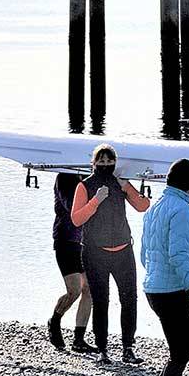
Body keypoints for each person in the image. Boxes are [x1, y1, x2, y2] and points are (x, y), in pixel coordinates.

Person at [140, 158, 189, 376]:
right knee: (186, 344)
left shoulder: (155, 208)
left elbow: (144, 253)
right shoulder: (181, 211)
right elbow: (179, 253)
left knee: (184, 344)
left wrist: (155, 276)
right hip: (170, 289)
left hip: (154, 287)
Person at [70, 144, 150, 364]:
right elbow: (76, 219)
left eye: (109, 161)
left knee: (129, 299)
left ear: (115, 162)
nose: (106, 165)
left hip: (123, 250)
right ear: (93, 163)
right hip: (95, 253)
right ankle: (103, 348)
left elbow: (143, 206)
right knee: (101, 300)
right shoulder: (84, 186)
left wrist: (128, 188)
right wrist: (96, 200)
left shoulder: (120, 182)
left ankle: (128, 347)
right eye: (101, 161)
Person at [46, 172, 93, 352]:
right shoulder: (64, 177)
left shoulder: (92, 177)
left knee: (89, 288)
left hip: (85, 241)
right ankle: (55, 320)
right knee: (74, 290)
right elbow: (71, 207)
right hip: (65, 240)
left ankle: (79, 339)